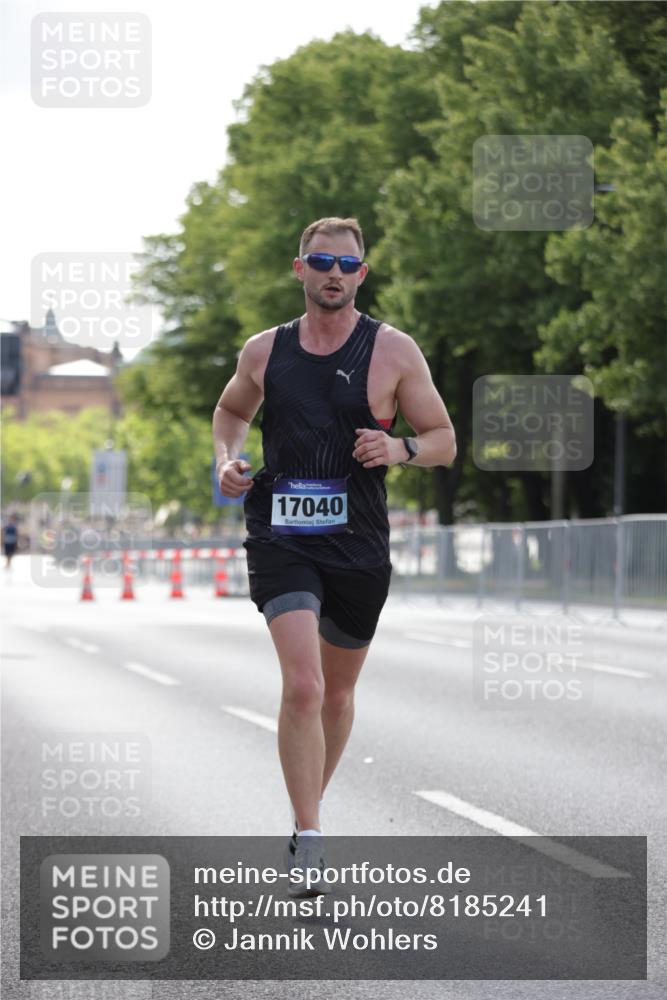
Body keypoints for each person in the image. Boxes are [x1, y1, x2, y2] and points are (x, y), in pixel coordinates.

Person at [212, 217, 456, 896]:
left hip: (358, 543)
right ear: (300, 269)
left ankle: (302, 814)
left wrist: (400, 448)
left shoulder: (393, 350)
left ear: (361, 275)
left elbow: (443, 439)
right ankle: (313, 836)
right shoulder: (264, 351)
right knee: (304, 685)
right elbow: (231, 413)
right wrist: (227, 461)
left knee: (339, 694)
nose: (334, 274)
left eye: (346, 265)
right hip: (280, 535)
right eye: (321, 262)